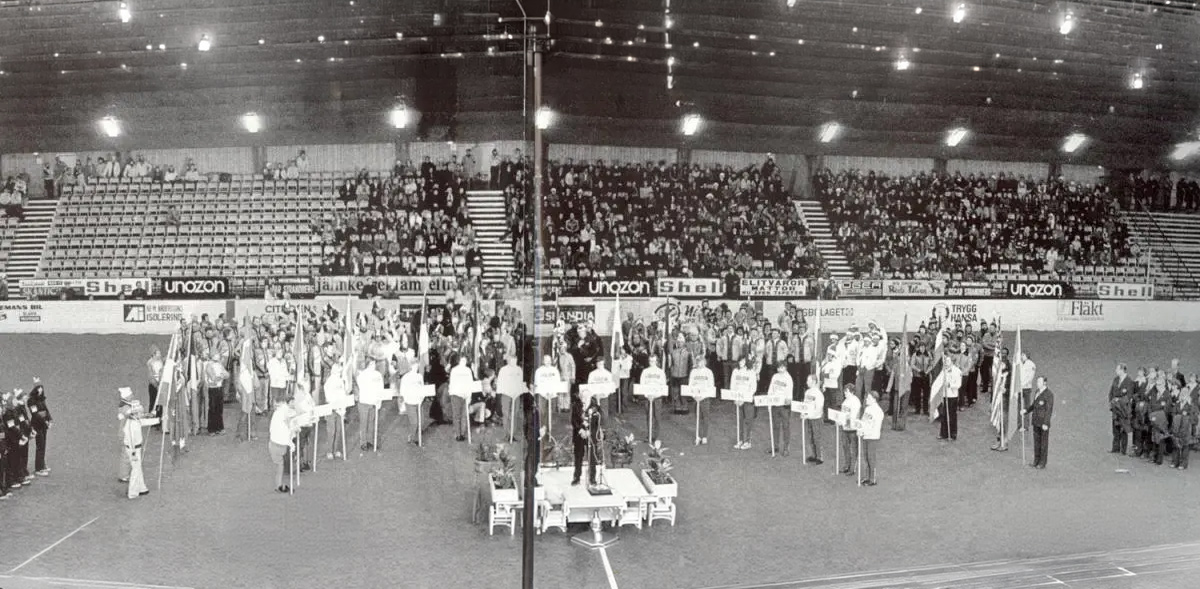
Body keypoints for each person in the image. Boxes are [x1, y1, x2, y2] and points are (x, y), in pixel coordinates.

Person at [117, 388, 150, 499]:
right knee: (135, 468)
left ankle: (141, 487)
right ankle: (133, 492)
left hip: (135, 446)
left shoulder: (133, 419)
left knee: (137, 467)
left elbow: (142, 420)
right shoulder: (130, 422)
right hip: (133, 448)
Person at [571, 386, 603, 486]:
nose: (584, 399)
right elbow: (574, 420)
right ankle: (576, 477)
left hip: (590, 437)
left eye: (586, 397)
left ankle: (592, 478)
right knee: (578, 457)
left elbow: (598, 423)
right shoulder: (576, 406)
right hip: (579, 435)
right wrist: (580, 430)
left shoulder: (595, 408)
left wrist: (590, 432)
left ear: (590, 397)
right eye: (582, 397)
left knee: (592, 457)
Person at [1023, 376, 1055, 469]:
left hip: (1043, 423)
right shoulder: (1037, 392)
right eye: (1037, 382)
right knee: (1036, 442)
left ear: (1044, 383)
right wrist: (1026, 411)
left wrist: (1046, 423)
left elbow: (1049, 410)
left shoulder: (1049, 394)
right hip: (1036, 421)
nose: (1037, 383)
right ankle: (1036, 460)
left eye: (1039, 382)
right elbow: (1034, 405)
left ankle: (1042, 462)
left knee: (1043, 443)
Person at [268, 394, 297, 493]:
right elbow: (284, 434)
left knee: (280, 466)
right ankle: (278, 486)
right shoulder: (281, 414)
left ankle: (279, 484)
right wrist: (291, 443)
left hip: (276, 443)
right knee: (279, 466)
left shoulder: (279, 413)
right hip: (277, 445)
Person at [356, 359, 385, 450]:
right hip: (364, 402)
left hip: (374, 402)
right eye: (371, 363)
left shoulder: (378, 374)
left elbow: (381, 387)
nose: (373, 365)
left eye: (374, 363)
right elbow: (363, 388)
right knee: (364, 423)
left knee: (371, 423)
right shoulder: (362, 375)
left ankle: (370, 441)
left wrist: (379, 400)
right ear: (367, 364)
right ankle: (363, 443)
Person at [27, 378, 52, 476]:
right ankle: (39, 468)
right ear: (35, 389)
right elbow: (35, 414)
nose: (40, 389)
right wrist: (45, 422)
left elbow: (46, 410)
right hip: (38, 425)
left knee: (43, 444)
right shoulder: (31, 401)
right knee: (40, 445)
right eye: (38, 387)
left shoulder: (42, 398)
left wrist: (50, 419)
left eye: (41, 387)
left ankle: (42, 465)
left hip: (44, 424)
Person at [858, 391, 884, 486]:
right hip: (865, 436)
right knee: (866, 457)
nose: (866, 400)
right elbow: (863, 421)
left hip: (872, 437)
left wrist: (865, 431)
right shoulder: (867, 409)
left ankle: (873, 479)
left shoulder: (878, 411)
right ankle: (867, 477)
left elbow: (875, 427)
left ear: (874, 399)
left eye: (868, 398)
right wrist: (860, 429)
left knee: (871, 457)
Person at [688, 358, 716, 446]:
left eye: (701, 362)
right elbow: (690, 385)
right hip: (696, 398)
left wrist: (703, 396)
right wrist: (694, 396)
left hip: (705, 398)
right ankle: (698, 435)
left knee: (705, 417)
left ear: (704, 362)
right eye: (698, 362)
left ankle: (704, 436)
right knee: (698, 417)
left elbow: (711, 386)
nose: (699, 364)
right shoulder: (693, 372)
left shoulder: (709, 372)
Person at [938, 346, 963, 441]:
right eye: (945, 361)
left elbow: (958, 384)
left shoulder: (957, 371)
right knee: (944, 414)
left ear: (952, 362)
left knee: (952, 415)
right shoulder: (943, 371)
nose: (945, 362)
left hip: (952, 396)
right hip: (945, 395)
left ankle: (953, 434)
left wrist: (949, 384)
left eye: (947, 361)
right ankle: (943, 433)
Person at [768, 362, 793, 457]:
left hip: (784, 406)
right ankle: (775, 446)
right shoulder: (775, 376)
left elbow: (789, 392)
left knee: (785, 426)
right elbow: (771, 389)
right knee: (775, 426)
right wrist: (769, 401)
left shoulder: (788, 378)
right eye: (778, 368)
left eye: (782, 367)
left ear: (785, 368)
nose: (780, 369)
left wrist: (788, 402)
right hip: (775, 404)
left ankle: (786, 448)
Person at [641, 356, 668, 445]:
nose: (651, 362)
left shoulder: (660, 372)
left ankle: (657, 436)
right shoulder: (645, 372)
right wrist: (647, 395)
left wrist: (656, 395)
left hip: (657, 398)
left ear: (656, 361)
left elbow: (663, 385)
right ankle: (650, 435)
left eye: (653, 361)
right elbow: (642, 384)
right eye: (650, 361)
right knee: (649, 416)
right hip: (648, 397)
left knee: (657, 417)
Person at [1109, 363, 1135, 455]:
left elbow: (1129, 396)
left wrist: (1119, 400)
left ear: (1122, 370)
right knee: (1115, 427)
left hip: (1123, 409)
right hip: (1115, 408)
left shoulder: (1129, 381)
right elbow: (1111, 392)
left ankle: (1123, 449)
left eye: (1117, 369)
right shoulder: (1115, 380)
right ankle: (1115, 447)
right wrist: (1112, 401)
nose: (1116, 371)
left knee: (1123, 428)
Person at [732, 358, 756, 450]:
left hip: (748, 400)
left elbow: (753, 387)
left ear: (746, 362)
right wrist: (734, 397)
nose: (740, 363)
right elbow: (732, 385)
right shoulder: (735, 371)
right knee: (739, 420)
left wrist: (744, 399)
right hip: (738, 400)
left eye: (742, 361)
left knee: (748, 421)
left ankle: (748, 441)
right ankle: (740, 440)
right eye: (739, 361)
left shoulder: (751, 372)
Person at [449, 355, 474, 442]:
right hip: (456, 395)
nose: (463, 362)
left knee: (464, 415)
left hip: (466, 396)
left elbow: (471, 384)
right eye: (462, 360)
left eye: (465, 360)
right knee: (456, 416)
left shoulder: (468, 371)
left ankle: (463, 433)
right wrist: (453, 393)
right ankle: (457, 434)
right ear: (459, 361)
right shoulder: (454, 370)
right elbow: (452, 383)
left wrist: (469, 396)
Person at [203, 352, 228, 435]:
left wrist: (222, 375)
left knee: (219, 408)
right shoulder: (209, 365)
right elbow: (213, 377)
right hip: (212, 388)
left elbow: (227, 374)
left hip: (219, 388)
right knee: (212, 408)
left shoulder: (220, 364)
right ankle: (211, 429)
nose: (217, 356)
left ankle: (219, 427)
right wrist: (221, 376)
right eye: (215, 354)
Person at [802, 375, 824, 465]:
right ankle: (814, 455)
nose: (807, 382)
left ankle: (819, 457)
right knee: (810, 437)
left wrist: (809, 415)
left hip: (816, 418)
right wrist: (803, 412)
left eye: (808, 380)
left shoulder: (818, 394)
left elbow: (818, 408)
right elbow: (805, 405)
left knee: (817, 437)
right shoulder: (807, 392)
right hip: (809, 418)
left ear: (814, 382)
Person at [839, 383, 860, 476]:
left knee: (854, 449)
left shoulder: (855, 402)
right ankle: (847, 465)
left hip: (853, 429)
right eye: (844, 391)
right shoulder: (845, 402)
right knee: (845, 447)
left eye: (846, 391)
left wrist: (845, 421)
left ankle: (853, 468)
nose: (845, 393)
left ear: (852, 392)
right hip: (845, 428)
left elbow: (853, 416)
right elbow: (842, 413)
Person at [1171, 392, 1195, 470]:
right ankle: (1175, 462)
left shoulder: (1191, 406)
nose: (1182, 397)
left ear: (1187, 397)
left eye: (1184, 396)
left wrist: (1185, 415)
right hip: (1176, 427)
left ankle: (1183, 464)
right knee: (1176, 444)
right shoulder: (1177, 405)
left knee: (1185, 446)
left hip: (1186, 429)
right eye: (1181, 395)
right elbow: (1173, 413)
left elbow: (1193, 418)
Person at [147, 346, 164, 424]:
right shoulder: (150, 363)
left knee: (160, 403)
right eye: (158, 353)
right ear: (154, 354)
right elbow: (151, 376)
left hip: (160, 384)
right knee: (153, 402)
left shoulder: (160, 361)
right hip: (154, 385)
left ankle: (159, 418)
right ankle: (152, 419)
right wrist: (156, 385)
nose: (160, 354)